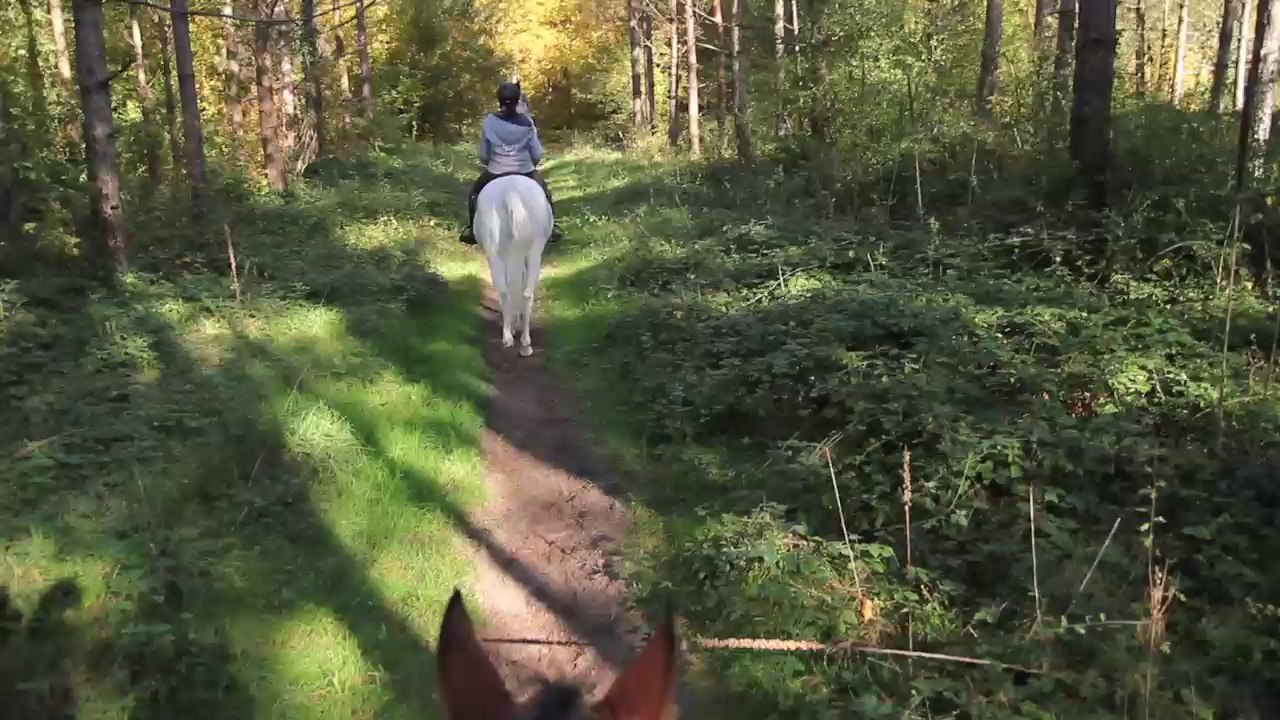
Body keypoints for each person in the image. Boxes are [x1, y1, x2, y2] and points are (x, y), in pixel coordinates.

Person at [459, 82, 562, 245]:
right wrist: (532, 165)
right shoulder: (527, 123)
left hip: (496, 170)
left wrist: (489, 161)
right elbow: (537, 153)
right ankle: (552, 228)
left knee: (474, 194)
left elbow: (484, 153)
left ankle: (472, 230)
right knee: (545, 192)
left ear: (499, 100)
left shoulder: (490, 121)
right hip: (525, 170)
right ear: (517, 100)